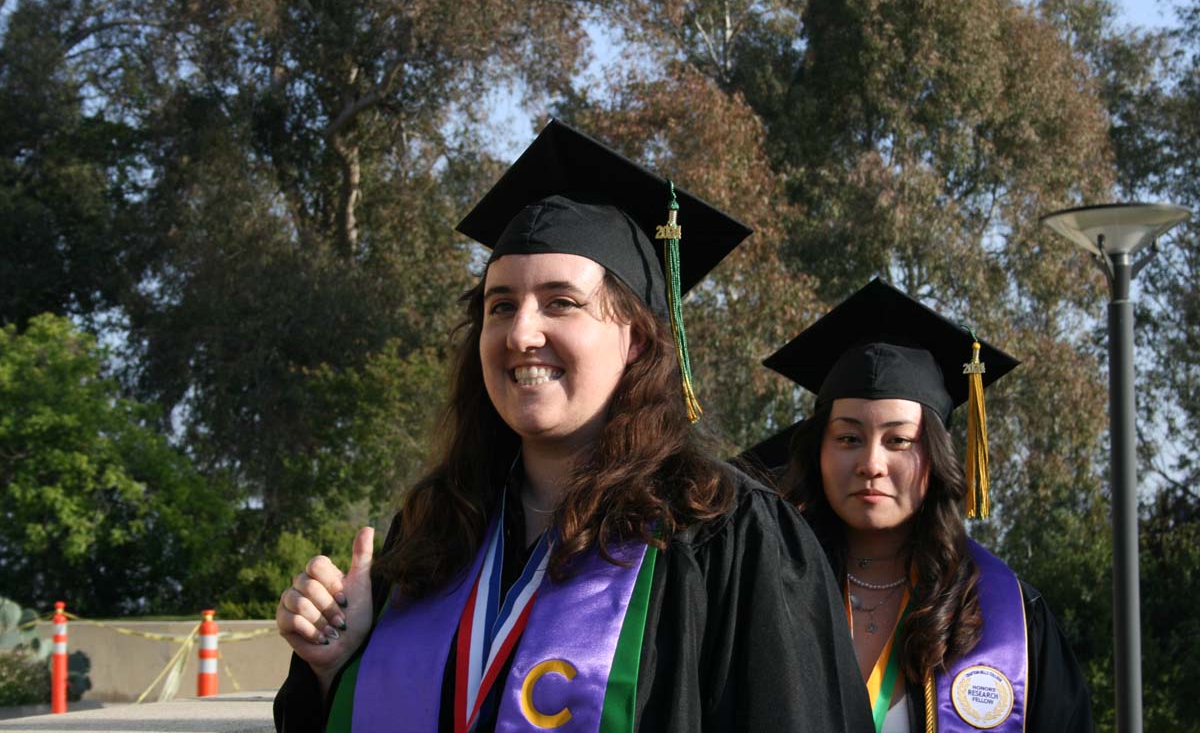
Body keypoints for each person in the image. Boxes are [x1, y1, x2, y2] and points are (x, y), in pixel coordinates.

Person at [273, 119, 872, 732]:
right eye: (500, 305)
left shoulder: (724, 534)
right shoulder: (436, 532)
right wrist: (330, 675)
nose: (522, 333)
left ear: (636, 339)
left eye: (561, 302)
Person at [758, 278, 1093, 732]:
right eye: (848, 439)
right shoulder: (764, 588)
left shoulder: (1008, 614)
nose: (871, 464)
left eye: (899, 440)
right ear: (818, 451)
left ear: (935, 457)